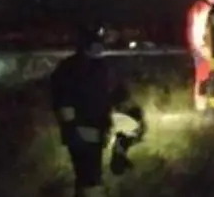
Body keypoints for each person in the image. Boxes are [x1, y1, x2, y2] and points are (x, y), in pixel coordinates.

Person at [50, 22, 147, 197]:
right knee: (89, 179)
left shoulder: (98, 67)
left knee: (88, 178)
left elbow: (117, 94)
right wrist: (74, 128)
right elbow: (63, 101)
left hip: (92, 127)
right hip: (85, 130)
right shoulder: (76, 69)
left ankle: (118, 156)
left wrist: (129, 113)